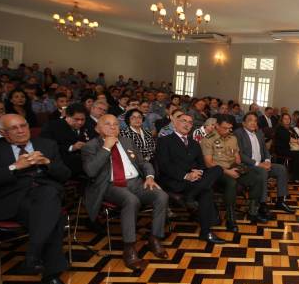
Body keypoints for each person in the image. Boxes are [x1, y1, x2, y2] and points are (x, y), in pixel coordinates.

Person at [0, 114, 74, 284]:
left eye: (23, 125)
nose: (21, 130)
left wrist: (47, 163)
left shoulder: (46, 145)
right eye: (14, 128)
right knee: (54, 215)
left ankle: (35, 258)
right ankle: (49, 276)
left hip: (43, 196)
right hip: (11, 200)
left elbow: (65, 175)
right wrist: (14, 167)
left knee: (48, 195)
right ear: (2, 133)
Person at [82, 115, 169, 271]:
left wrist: (149, 176)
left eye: (115, 124)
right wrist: (106, 148)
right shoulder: (91, 146)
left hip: (135, 182)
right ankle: (129, 248)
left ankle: (154, 238)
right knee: (131, 200)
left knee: (161, 195)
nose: (113, 127)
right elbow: (90, 172)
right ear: (98, 128)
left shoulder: (126, 141)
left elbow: (143, 162)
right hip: (110, 185)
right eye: (107, 124)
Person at [155, 113, 225, 244]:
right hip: (175, 180)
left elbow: (202, 165)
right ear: (175, 123)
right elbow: (164, 166)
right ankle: (205, 232)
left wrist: (198, 172)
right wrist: (186, 175)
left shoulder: (194, 143)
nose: (187, 124)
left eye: (190, 122)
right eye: (183, 121)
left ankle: (190, 196)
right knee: (206, 191)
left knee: (218, 169)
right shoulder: (164, 141)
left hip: (195, 180)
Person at [201, 116, 266, 229]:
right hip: (217, 171)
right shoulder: (208, 139)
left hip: (233, 167)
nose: (228, 131)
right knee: (231, 182)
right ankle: (230, 218)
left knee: (257, 178)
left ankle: (252, 212)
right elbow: (208, 163)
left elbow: (237, 158)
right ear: (216, 126)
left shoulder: (233, 138)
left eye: (230, 128)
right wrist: (228, 171)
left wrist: (239, 167)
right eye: (225, 128)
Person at [235, 112, 294, 216]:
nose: (253, 123)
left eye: (255, 121)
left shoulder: (259, 133)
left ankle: (280, 201)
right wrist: (258, 164)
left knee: (281, 169)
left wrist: (267, 161)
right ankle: (262, 204)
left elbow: (265, 150)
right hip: (248, 166)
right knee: (262, 171)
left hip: (262, 163)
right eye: (250, 120)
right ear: (244, 123)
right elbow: (241, 155)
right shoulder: (238, 133)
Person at [39, 102, 90, 178]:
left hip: (85, 160)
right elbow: (47, 148)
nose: (80, 122)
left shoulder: (87, 125)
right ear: (67, 116)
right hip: (63, 163)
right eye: (76, 119)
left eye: (83, 119)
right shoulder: (52, 126)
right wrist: (71, 147)